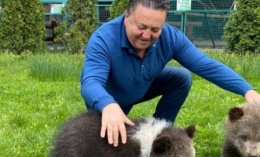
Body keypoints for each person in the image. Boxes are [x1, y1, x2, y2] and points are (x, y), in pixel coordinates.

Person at [80, 0, 260, 147]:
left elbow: (206, 65)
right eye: (141, 27)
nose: (146, 35)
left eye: (155, 29)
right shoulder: (103, 39)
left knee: (180, 78)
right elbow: (91, 82)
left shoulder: (170, 37)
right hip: (107, 100)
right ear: (127, 16)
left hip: (141, 86)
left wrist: (247, 90)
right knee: (106, 148)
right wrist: (108, 105)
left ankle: (157, 133)